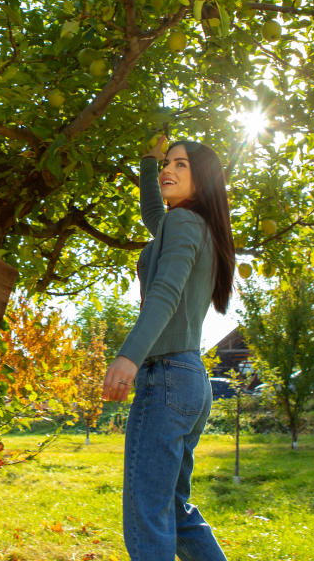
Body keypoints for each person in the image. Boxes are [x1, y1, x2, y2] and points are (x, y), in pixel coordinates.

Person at [103, 137, 236, 561]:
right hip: (190, 380)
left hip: (165, 376)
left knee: (148, 514)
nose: (169, 170)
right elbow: (151, 214)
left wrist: (129, 355)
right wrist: (146, 160)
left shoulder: (183, 223)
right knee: (175, 513)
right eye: (167, 163)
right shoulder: (194, 225)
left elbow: (165, 292)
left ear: (203, 179)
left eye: (181, 164)